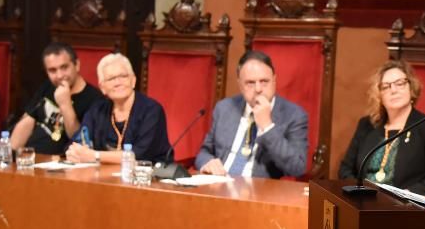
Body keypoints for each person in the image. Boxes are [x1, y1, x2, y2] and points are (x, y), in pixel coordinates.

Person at [338, 59, 425, 195]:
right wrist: (358, 191)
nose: (393, 90)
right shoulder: (366, 125)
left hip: (403, 207)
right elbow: (345, 169)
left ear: (411, 87)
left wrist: (407, 194)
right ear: (379, 94)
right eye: (385, 86)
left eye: (400, 84)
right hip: (363, 202)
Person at [195, 50, 308, 179]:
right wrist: (207, 162)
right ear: (240, 84)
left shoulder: (294, 115)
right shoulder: (224, 108)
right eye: (250, 83)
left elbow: (297, 168)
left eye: (264, 81)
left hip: (259, 192)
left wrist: (267, 127)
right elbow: (204, 152)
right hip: (219, 186)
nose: (258, 89)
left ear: (274, 81)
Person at [65, 53, 171, 164]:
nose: (118, 83)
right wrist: (74, 152)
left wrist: (95, 156)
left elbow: (140, 155)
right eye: (111, 79)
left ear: (133, 80)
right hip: (103, 175)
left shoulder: (151, 110)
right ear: (102, 87)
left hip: (146, 176)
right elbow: (78, 141)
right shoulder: (97, 110)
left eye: (123, 76)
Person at [8, 42, 103, 155]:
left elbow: (80, 141)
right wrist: (8, 155)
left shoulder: (94, 99)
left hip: (61, 164)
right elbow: (27, 121)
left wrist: (65, 104)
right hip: (29, 158)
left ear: (76, 65)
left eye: (64, 67)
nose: (59, 75)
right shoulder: (48, 86)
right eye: (52, 70)